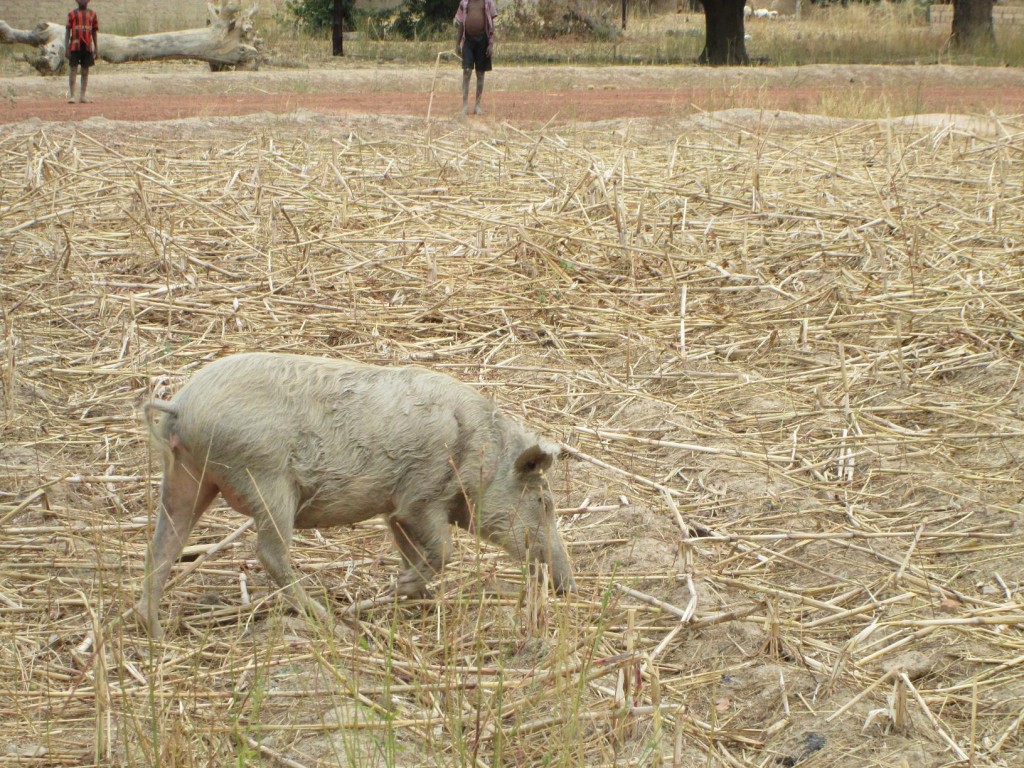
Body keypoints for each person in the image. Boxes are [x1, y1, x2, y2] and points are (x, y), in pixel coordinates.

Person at [454, 0, 497, 116]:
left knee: (480, 73)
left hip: (483, 40)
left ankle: (477, 105)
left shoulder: (487, 3)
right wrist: (457, 44)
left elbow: (491, 24)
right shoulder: (464, 3)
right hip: (468, 41)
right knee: (467, 71)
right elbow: (461, 24)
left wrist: (491, 44)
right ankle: (464, 106)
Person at [65, 0, 99, 104]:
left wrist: (96, 48)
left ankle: (82, 95)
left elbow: (94, 31)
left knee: (85, 71)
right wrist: (66, 47)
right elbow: (67, 31)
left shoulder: (92, 14)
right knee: (73, 70)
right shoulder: (72, 14)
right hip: (75, 46)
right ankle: (72, 95)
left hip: (87, 46)